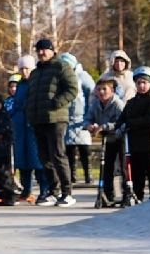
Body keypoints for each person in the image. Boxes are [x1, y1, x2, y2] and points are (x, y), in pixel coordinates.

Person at [25, 38, 80, 206]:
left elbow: (72, 89)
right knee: (44, 157)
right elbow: (31, 95)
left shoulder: (61, 67)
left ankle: (67, 193)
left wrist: (56, 103)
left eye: (45, 50)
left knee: (57, 154)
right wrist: (30, 113)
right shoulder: (35, 73)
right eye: (39, 50)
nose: (41, 53)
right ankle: (53, 192)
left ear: (52, 51)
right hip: (38, 119)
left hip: (56, 118)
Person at [120, 67, 150, 202]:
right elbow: (123, 117)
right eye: (138, 83)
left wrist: (130, 124)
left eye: (144, 82)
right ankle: (137, 197)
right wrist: (116, 126)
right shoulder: (132, 101)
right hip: (135, 144)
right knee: (137, 173)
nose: (141, 86)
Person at [83, 77, 127, 205]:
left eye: (104, 89)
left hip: (120, 137)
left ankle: (126, 193)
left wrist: (106, 126)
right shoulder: (95, 104)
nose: (101, 92)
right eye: (99, 89)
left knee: (123, 167)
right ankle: (108, 194)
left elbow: (122, 122)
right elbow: (87, 119)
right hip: (107, 139)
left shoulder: (117, 104)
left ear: (112, 90)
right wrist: (89, 126)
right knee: (107, 167)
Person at [6, 59, 44, 202]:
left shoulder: (37, 82)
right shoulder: (21, 85)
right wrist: (11, 117)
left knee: (37, 160)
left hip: (33, 124)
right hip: (20, 125)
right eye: (22, 69)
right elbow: (16, 104)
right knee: (22, 160)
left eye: (27, 68)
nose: (24, 71)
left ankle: (44, 190)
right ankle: (26, 189)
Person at [60, 52, 95, 185]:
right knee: (69, 149)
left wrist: (89, 115)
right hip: (67, 118)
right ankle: (72, 175)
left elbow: (92, 94)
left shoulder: (83, 76)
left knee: (84, 148)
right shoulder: (61, 78)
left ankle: (88, 174)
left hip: (82, 118)